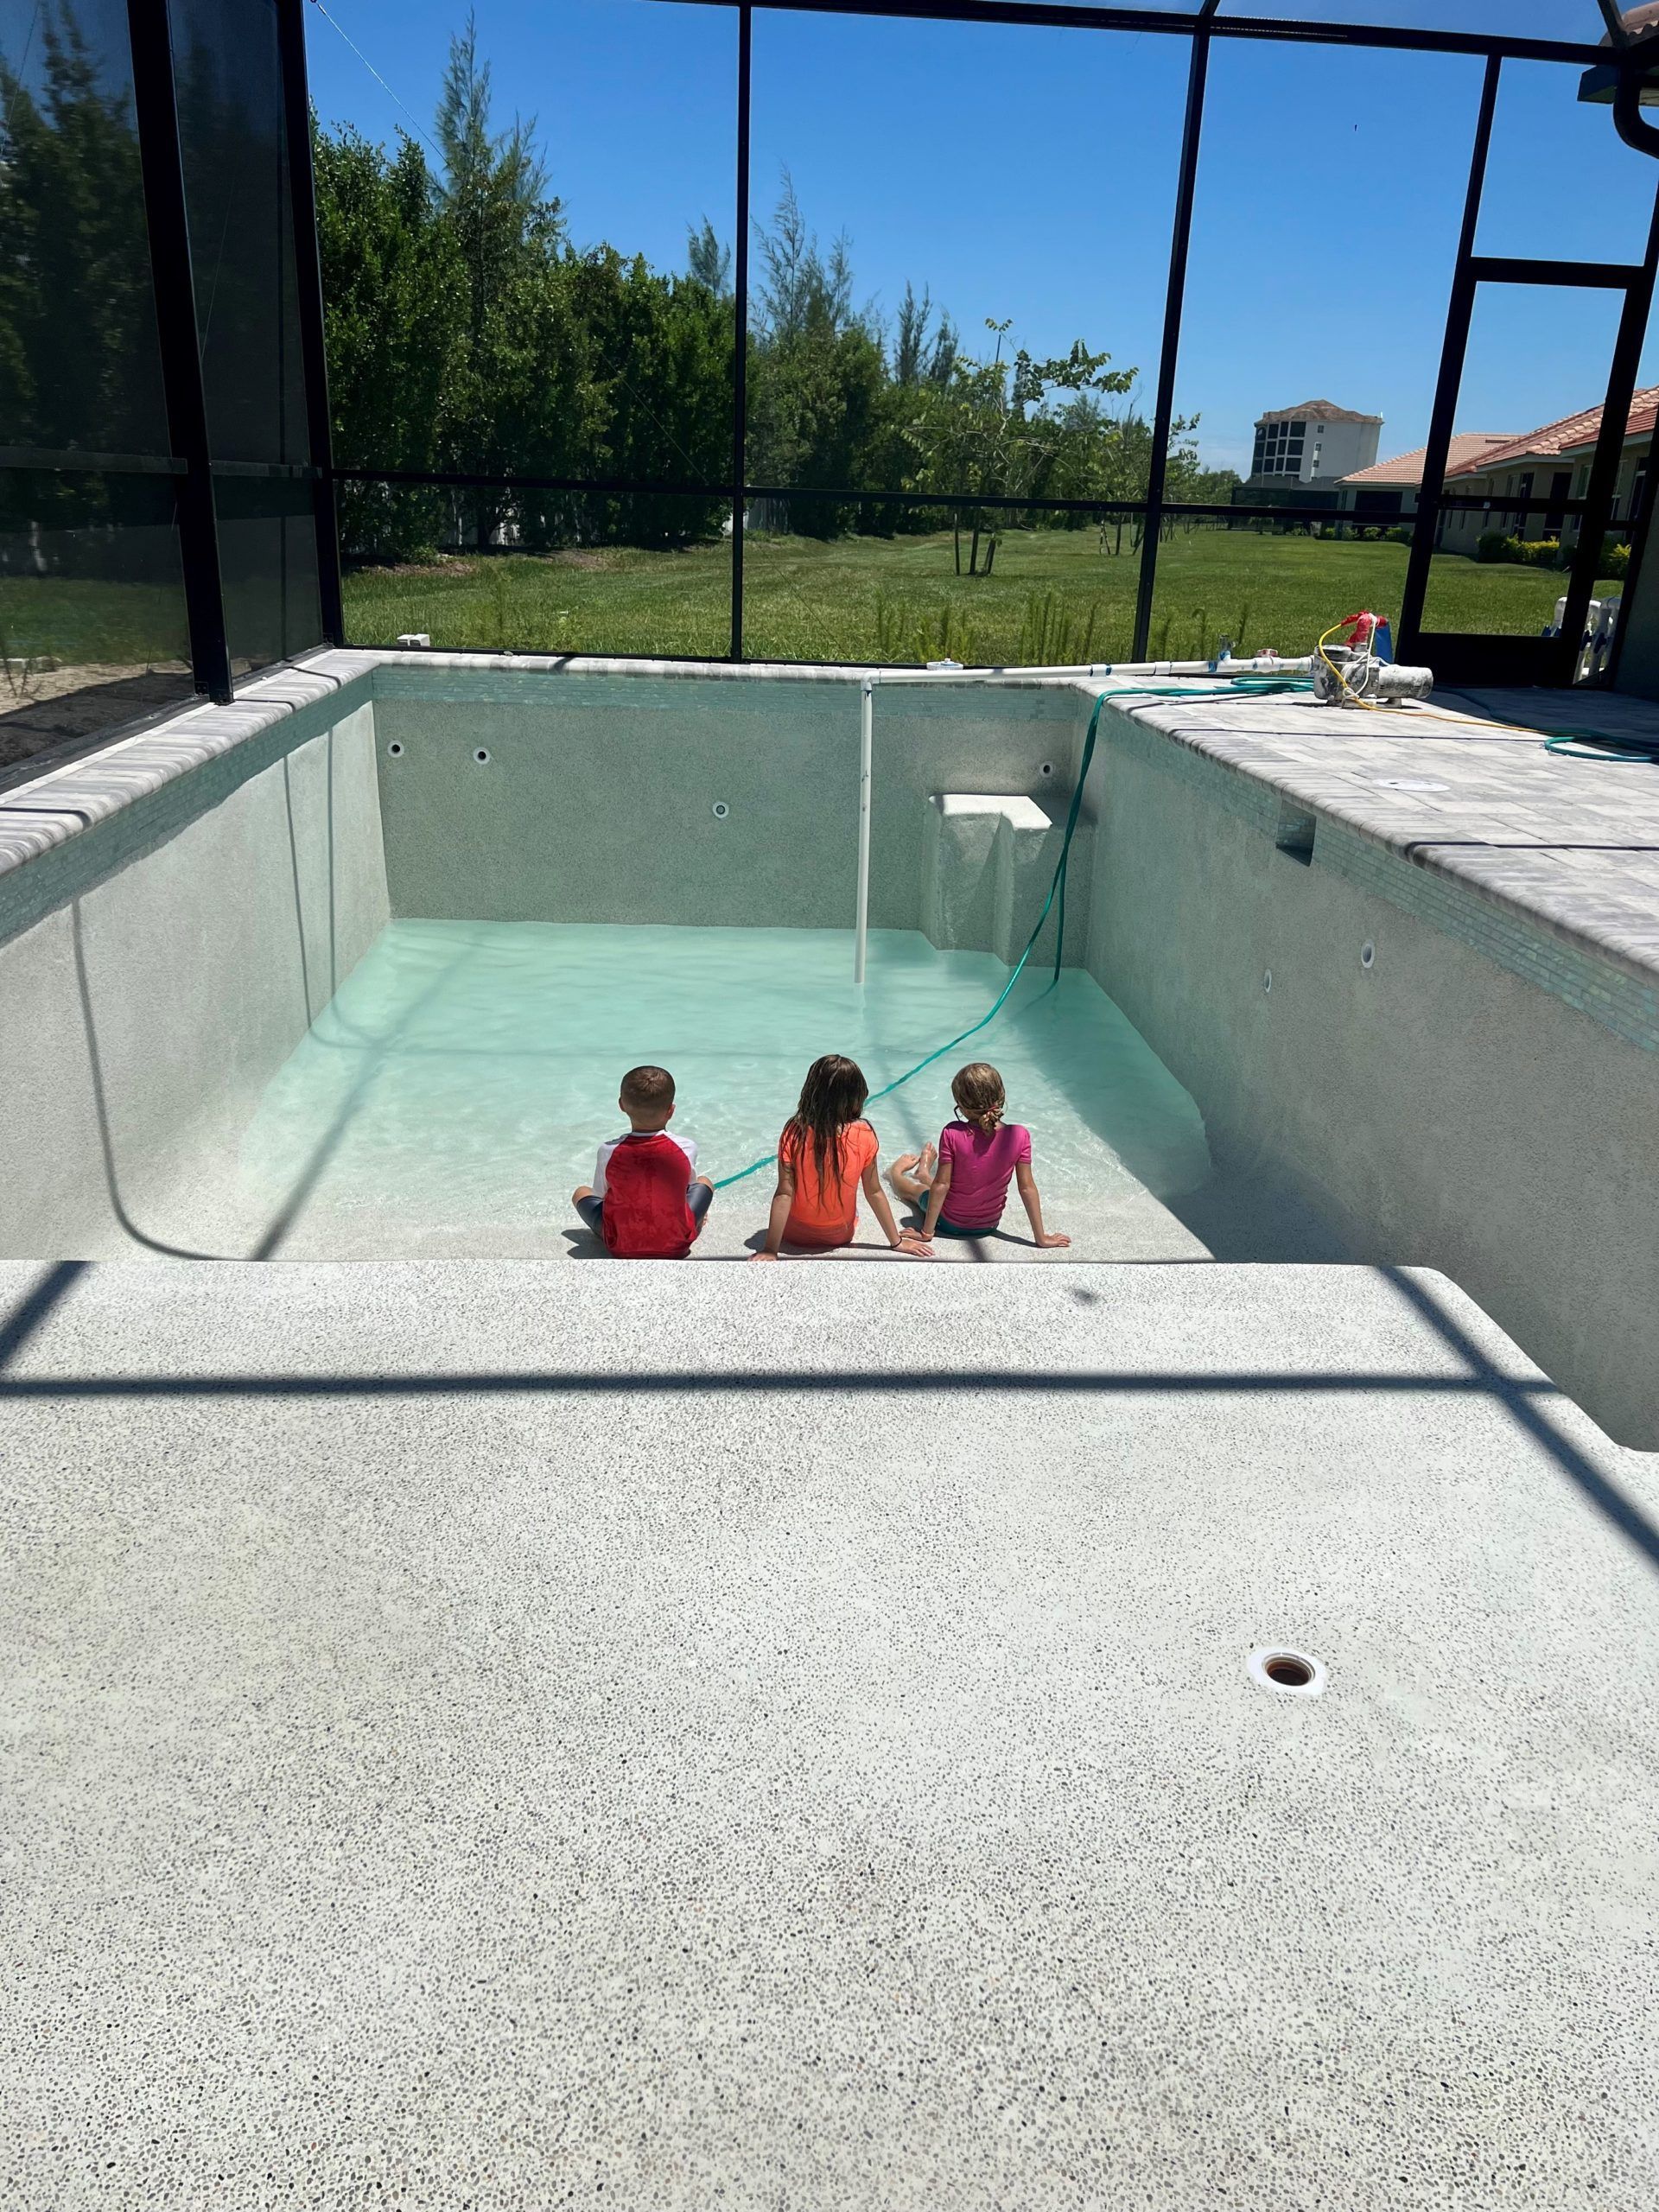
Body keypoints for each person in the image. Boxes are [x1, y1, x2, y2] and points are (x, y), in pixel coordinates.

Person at [751, 1054, 929, 1262]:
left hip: (795, 1235)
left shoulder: (794, 1131)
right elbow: (874, 1192)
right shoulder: (864, 1134)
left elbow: (784, 1194)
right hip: (840, 1235)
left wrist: (770, 1249)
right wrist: (896, 1242)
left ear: (811, 1092)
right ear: (857, 1096)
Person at [890, 1061, 1070, 1249]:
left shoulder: (953, 1133)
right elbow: (1027, 1188)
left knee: (917, 1191)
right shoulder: (1019, 1135)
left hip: (949, 1224)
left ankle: (898, 1172)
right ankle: (924, 1174)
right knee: (938, 1186)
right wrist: (1041, 1238)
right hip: (989, 1225)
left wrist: (926, 1233)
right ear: (1001, 1097)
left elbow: (943, 1185)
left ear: (961, 1106)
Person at [573, 1064, 714, 1259]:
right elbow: (687, 1189)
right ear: (671, 1110)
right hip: (676, 1246)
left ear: (621, 1105)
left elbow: (601, 1197)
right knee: (705, 1182)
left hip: (621, 1247)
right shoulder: (687, 1147)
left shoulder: (608, 1151)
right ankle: (694, 1225)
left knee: (581, 1192)